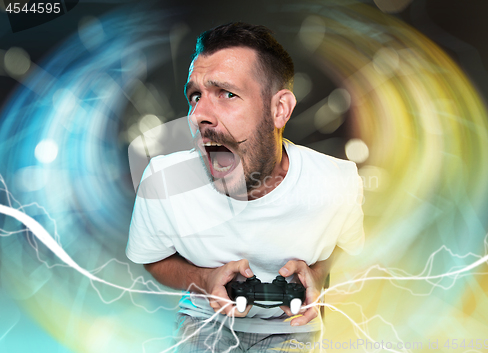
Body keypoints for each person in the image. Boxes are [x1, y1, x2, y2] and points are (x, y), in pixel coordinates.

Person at [126, 22, 364, 352]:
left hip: (292, 328)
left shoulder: (337, 180)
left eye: (227, 93)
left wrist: (319, 273)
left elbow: (347, 245)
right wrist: (203, 278)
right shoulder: (163, 179)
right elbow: (152, 258)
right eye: (195, 96)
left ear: (279, 109)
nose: (198, 116)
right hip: (204, 323)